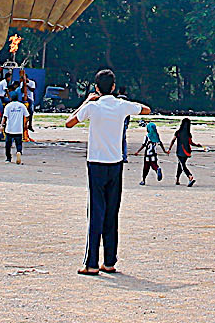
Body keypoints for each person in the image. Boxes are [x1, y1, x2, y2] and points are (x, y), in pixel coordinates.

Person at [64, 68, 150, 275]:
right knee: (112, 212)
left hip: (96, 163)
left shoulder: (93, 107)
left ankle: (91, 263)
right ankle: (109, 260)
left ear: (96, 88)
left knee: (96, 212)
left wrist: (86, 101)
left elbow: (69, 123)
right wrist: (124, 104)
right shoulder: (121, 106)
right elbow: (145, 109)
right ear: (113, 87)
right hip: (116, 163)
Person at [1, 93, 30, 164]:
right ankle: (18, 152)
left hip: (9, 129)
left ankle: (8, 158)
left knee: (8, 145)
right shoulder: (22, 106)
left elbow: (5, 117)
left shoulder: (8, 106)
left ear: (10, 98)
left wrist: (2, 125)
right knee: (19, 144)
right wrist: (25, 124)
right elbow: (27, 116)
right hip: (19, 129)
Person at [171, 117, 197, 187]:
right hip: (187, 151)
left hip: (180, 151)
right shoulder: (188, 134)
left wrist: (169, 149)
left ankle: (189, 176)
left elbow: (173, 140)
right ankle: (177, 179)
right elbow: (191, 143)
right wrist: (197, 145)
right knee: (180, 164)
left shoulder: (178, 132)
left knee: (182, 165)